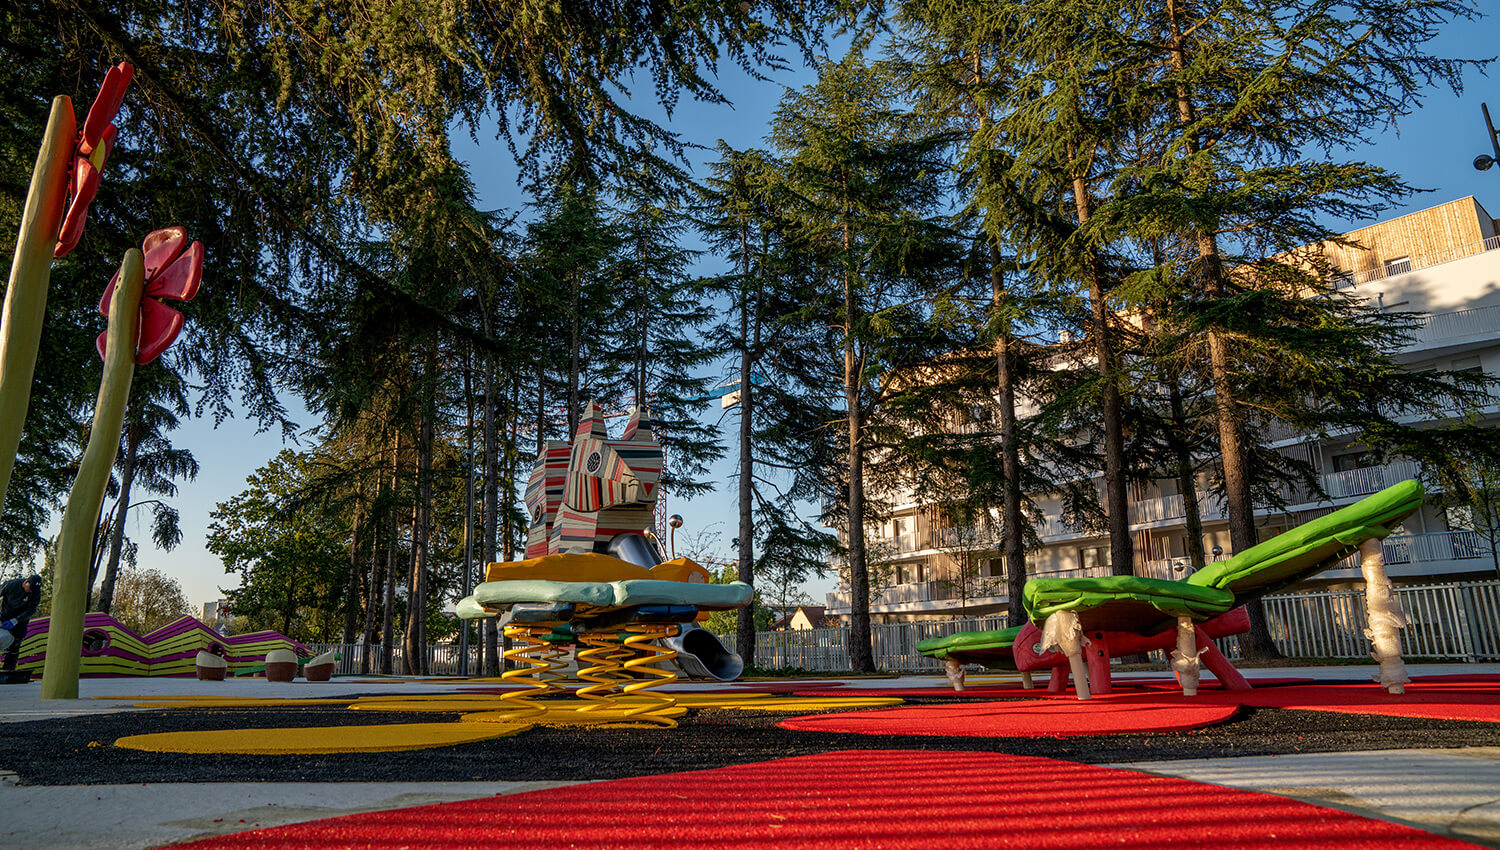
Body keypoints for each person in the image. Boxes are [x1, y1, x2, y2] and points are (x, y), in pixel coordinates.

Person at [0, 574, 41, 671]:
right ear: (26, 582)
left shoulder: (35, 592)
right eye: (30, 588)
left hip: (21, 619)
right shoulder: (11, 585)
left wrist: (15, 621)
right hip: (5, 614)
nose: (31, 591)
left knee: (15, 644)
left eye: (34, 590)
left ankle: (8, 669)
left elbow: (31, 610)